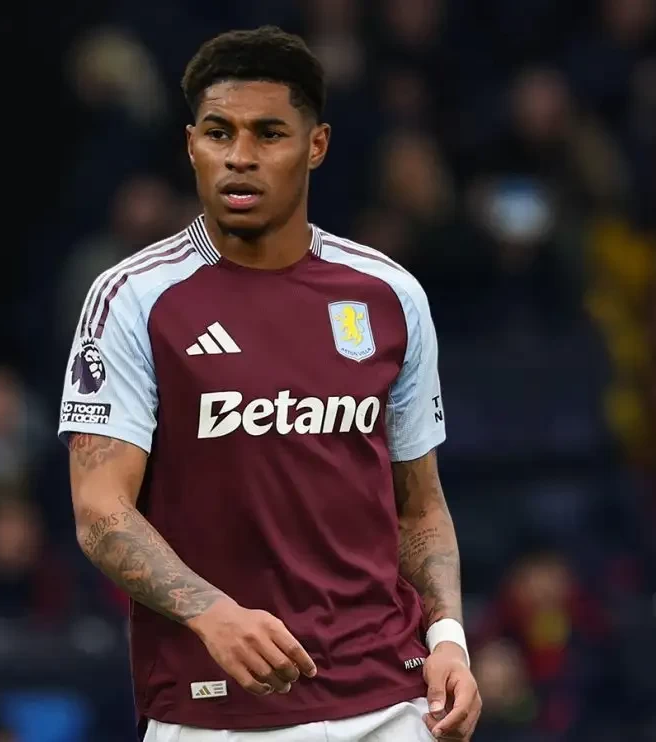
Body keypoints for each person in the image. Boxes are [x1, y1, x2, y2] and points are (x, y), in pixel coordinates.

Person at [57, 25, 479, 741]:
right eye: (219, 133)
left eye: (269, 133)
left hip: (392, 700)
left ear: (316, 146)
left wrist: (448, 638)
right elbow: (100, 509)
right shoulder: (132, 298)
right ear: (191, 145)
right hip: (215, 709)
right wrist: (211, 613)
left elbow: (419, 506)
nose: (240, 157)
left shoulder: (389, 294)